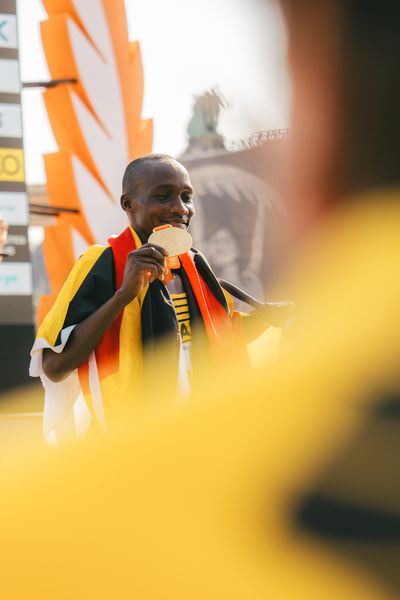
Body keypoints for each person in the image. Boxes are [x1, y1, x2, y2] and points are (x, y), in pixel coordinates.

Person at [30, 154, 288, 440]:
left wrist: (266, 320)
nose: (180, 209)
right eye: (163, 196)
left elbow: (216, 337)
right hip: (128, 440)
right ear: (128, 204)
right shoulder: (102, 262)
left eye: (186, 197)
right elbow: (54, 367)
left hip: (198, 434)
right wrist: (124, 295)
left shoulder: (195, 264)